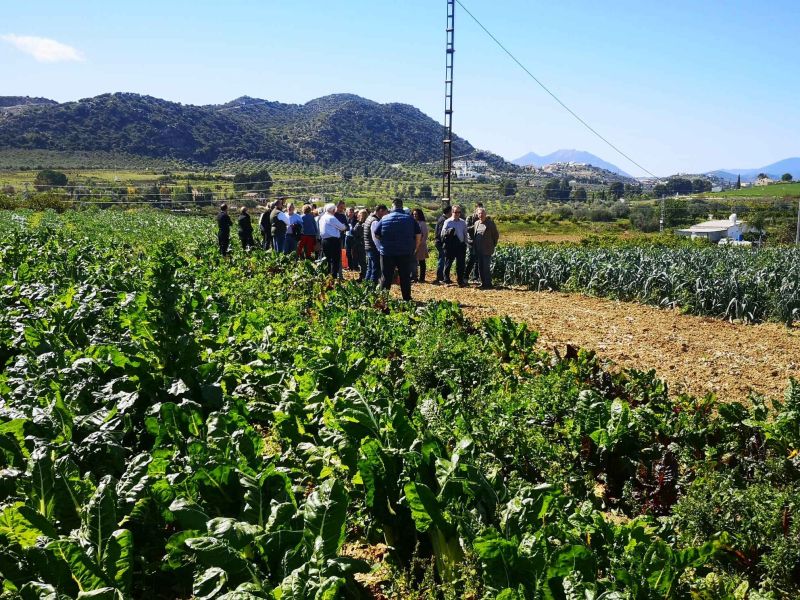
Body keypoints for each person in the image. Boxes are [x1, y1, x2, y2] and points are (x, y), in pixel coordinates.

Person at [375, 199, 421, 301]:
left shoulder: (385, 218)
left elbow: (376, 234)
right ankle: (406, 299)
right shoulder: (410, 219)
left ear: (392, 206)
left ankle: (383, 300)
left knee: (386, 277)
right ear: (401, 206)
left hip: (387, 252)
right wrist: (415, 248)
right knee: (405, 277)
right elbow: (418, 235)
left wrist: (385, 241)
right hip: (405, 252)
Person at [472, 207, 500, 289]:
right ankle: (483, 283)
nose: (481, 215)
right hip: (478, 249)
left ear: (485, 214)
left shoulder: (490, 224)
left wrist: (492, 245)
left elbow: (496, 235)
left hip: (487, 249)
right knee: (480, 267)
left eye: (482, 213)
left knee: (486, 267)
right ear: (477, 214)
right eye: (479, 213)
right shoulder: (476, 223)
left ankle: (488, 284)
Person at [440, 205, 468, 286]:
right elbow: (442, 233)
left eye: (459, 212)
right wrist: (449, 231)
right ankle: (446, 279)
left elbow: (465, 234)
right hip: (451, 245)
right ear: (452, 212)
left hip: (461, 245)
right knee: (448, 263)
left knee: (461, 264)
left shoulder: (463, 222)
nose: (457, 214)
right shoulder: (448, 222)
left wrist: (465, 243)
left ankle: (460, 281)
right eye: (455, 212)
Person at [318, 203, 347, 276]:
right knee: (335, 260)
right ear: (333, 210)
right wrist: (344, 226)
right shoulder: (331, 218)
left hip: (324, 240)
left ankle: (327, 275)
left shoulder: (322, 217)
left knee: (328, 259)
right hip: (333, 241)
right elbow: (342, 227)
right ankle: (333, 277)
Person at [363, 205, 388, 284]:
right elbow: (375, 237)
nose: (385, 215)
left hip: (369, 246)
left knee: (370, 269)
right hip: (373, 247)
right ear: (380, 210)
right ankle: (371, 288)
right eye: (385, 212)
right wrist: (379, 248)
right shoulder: (375, 221)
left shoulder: (369, 218)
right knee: (375, 269)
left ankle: (366, 286)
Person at [433, 206, 452, 284]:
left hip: (439, 242)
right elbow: (441, 233)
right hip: (440, 243)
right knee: (442, 259)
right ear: (449, 212)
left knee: (442, 259)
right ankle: (440, 277)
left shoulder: (441, 219)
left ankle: (441, 276)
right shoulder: (443, 220)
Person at [465, 202, 483, 282]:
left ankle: (476, 277)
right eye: (478, 208)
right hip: (471, 242)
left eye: (481, 208)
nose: (479, 211)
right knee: (472, 259)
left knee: (478, 260)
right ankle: (466, 276)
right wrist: (476, 225)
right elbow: (467, 229)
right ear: (475, 209)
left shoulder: (483, 219)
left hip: (480, 242)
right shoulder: (470, 218)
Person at [411, 208, 429, 283]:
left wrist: (421, 243)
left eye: (416, 214)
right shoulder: (412, 222)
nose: (415, 215)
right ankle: (414, 277)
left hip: (421, 244)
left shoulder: (422, 223)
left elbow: (425, 235)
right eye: (414, 214)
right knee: (413, 261)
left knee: (421, 262)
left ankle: (422, 278)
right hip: (413, 244)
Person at [351, 209, 369, 281]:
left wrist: (352, 229)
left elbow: (355, 232)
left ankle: (363, 277)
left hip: (361, 245)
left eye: (359, 215)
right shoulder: (363, 223)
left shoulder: (361, 224)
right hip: (360, 244)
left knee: (362, 261)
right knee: (361, 261)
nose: (357, 216)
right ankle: (363, 276)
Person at [334, 201, 350, 277]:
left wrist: (342, 228)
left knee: (339, 256)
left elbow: (348, 227)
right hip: (331, 238)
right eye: (341, 207)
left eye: (343, 208)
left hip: (339, 238)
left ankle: (339, 275)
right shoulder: (332, 215)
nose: (342, 209)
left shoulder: (342, 216)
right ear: (337, 206)